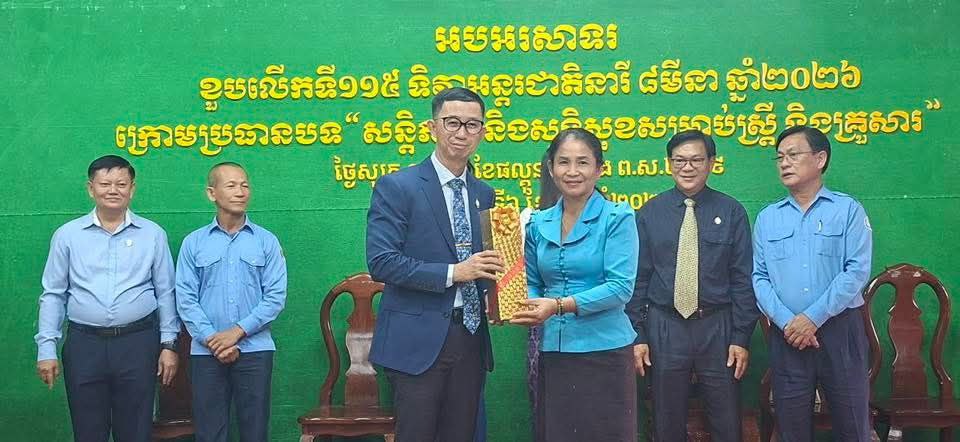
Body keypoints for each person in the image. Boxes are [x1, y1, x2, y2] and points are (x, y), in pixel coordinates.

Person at [366, 86, 504, 441]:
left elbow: (486, 266)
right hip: (417, 342)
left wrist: (503, 294)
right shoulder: (398, 186)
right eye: (452, 122)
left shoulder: (484, 193)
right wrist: (455, 273)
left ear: (483, 132)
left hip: (470, 338)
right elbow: (382, 262)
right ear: (432, 127)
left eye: (472, 125)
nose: (462, 132)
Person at [35, 154, 180, 442]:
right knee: (88, 430)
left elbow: (166, 292)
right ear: (91, 189)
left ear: (132, 189)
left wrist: (169, 345)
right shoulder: (67, 235)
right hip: (84, 345)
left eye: (121, 184)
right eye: (105, 184)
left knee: (136, 430)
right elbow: (53, 294)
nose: (113, 190)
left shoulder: (153, 234)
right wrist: (46, 349)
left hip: (138, 343)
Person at [626, 130, 759, 441]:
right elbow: (638, 279)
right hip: (665, 326)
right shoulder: (649, 213)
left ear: (711, 163)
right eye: (679, 160)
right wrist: (638, 335)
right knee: (666, 418)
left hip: (717, 326)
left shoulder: (732, 211)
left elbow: (743, 279)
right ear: (669, 164)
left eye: (696, 160)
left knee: (726, 418)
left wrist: (741, 337)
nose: (687, 167)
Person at [511, 128, 639, 442]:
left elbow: (621, 287)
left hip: (606, 351)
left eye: (582, 162)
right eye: (563, 162)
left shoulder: (617, 217)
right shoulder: (538, 223)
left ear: (599, 169)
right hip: (554, 351)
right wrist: (524, 306)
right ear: (551, 168)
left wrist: (557, 306)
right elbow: (532, 282)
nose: (572, 171)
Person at [752, 125, 873, 441]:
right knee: (791, 429)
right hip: (788, 335)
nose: (784, 163)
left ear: (820, 159)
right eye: (780, 157)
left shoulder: (847, 210)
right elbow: (759, 277)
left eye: (793, 155)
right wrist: (788, 322)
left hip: (840, 330)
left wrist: (812, 318)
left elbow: (856, 270)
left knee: (852, 426)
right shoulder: (768, 217)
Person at [175, 162, 287, 442]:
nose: (240, 191)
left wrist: (236, 332)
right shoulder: (193, 243)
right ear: (211, 193)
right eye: (232, 185)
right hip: (206, 352)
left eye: (245, 185)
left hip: (255, 350)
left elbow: (275, 297)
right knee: (209, 433)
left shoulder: (266, 241)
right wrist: (213, 339)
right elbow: (185, 298)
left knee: (255, 431)